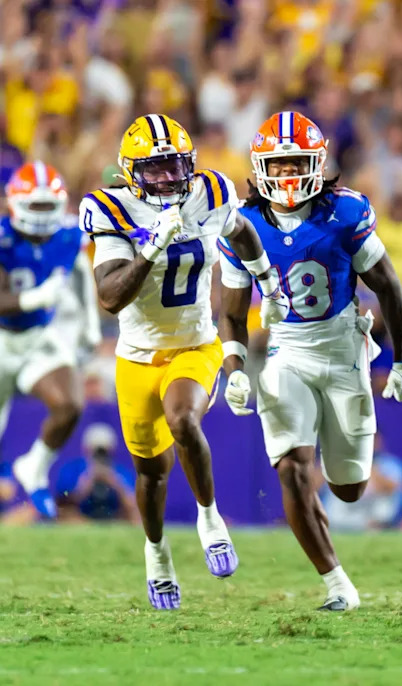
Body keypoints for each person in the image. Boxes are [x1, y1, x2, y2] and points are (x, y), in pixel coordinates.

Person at [78, 113, 291, 611]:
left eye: (176, 167)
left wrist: (265, 277)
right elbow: (109, 296)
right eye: (155, 170)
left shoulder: (208, 191)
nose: (169, 179)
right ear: (131, 171)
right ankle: (157, 554)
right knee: (150, 472)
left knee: (183, 418)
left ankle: (209, 517)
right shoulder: (111, 208)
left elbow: (239, 230)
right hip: (135, 357)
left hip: (196, 343)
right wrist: (150, 246)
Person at [218, 111, 402, 612]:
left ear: (317, 163)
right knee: (291, 467)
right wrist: (235, 367)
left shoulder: (345, 212)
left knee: (348, 488)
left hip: (344, 347)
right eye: (278, 165)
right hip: (286, 350)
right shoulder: (242, 225)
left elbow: (388, 286)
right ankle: (337, 585)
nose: (287, 176)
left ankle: (324, 517)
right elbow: (232, 311)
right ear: (261, 167)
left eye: (296, 164)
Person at [1, 162, 99, 519]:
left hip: (37, 338)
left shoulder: (69, 234)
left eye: (48, 206)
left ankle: (34, 466)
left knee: (70, 404)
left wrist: (89, 324)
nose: (42, 216)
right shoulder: (2, 237)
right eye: (35, 206)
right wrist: (35, 298)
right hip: (1, 339)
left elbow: (80, 271)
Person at [55, 423, 138, 523]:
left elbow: (133, 505)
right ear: (86, 449)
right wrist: (84, 487)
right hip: (81, 519)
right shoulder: (73, 469)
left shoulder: (120, 472)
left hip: (115, 518)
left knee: (136, 516)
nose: (100, 455)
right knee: (66, 514)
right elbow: (62, 503)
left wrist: (116, 484)